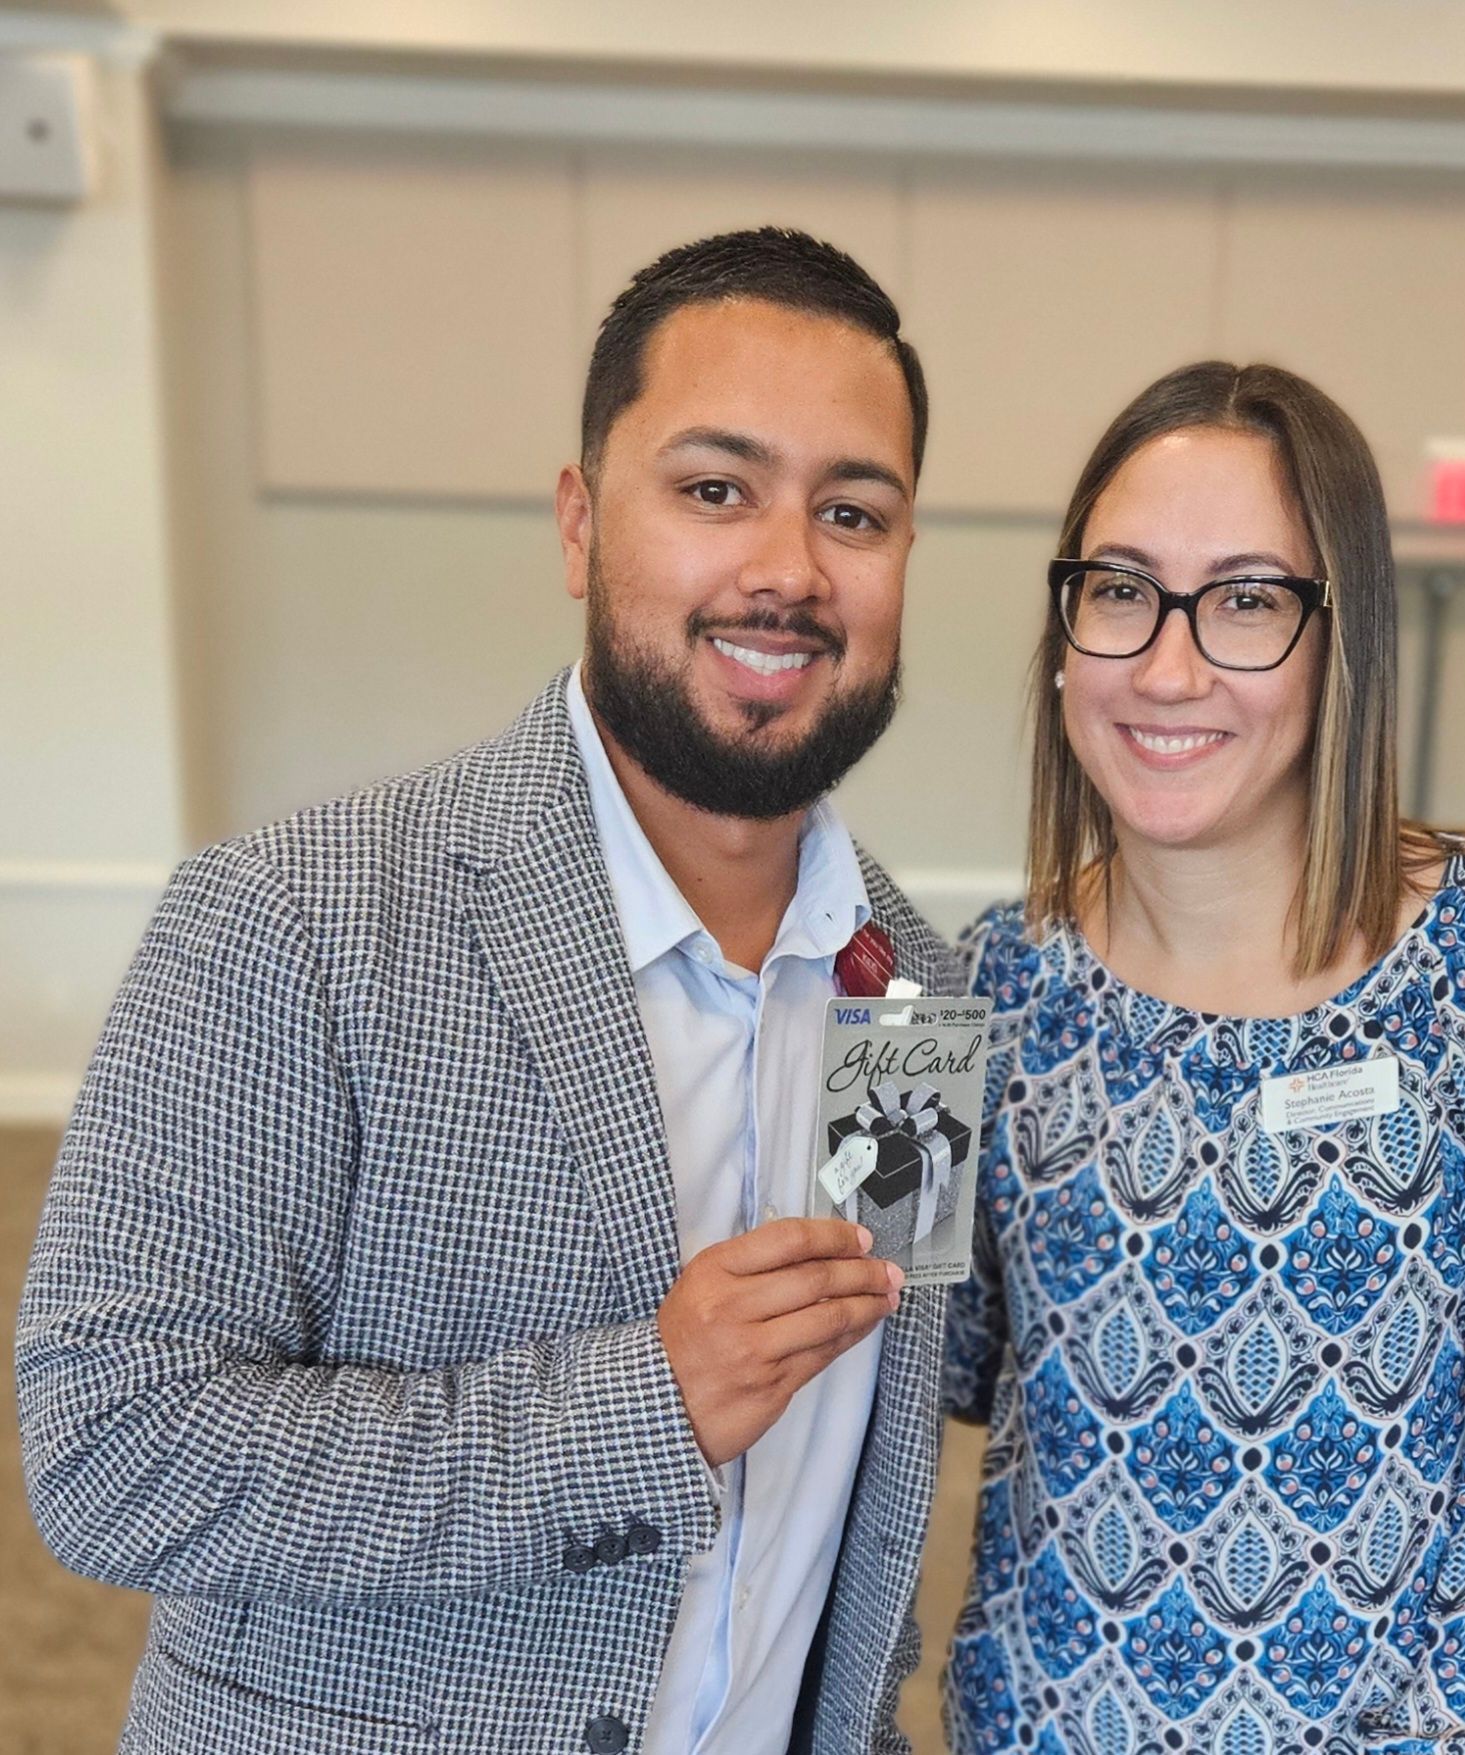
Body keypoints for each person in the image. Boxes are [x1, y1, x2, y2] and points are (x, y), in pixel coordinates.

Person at [18, 228, 957, 1755]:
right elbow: (113, 1450)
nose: (789, 568)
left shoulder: (915, 993)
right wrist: (637, 1411)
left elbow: (864, 1487)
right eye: (716, 489)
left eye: (852, 510)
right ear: (582, 527)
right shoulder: (292, 923)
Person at [944, 361, 1465, 1752]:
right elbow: (916, 1372)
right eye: (1121, 589)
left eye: (1249, 601)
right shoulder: (983, 985)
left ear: (1345, 639)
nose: (1168, 664)